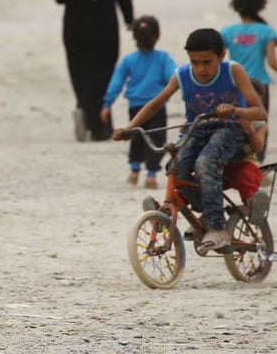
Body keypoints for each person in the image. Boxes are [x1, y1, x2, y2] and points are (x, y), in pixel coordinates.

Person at [112, 28, 266, 254]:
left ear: (221, 56)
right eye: (195, 62)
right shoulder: (182, 75)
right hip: (198, 129)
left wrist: (234, 109)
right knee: (175, 167)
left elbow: (260, 112)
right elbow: (156, 103)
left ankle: (217, 228)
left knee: (205, 163)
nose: (201, 69)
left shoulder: (233, 71)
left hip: (231, 128)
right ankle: (204, 211)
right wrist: (130, 127)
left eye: (207, 62)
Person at [53, 0, 134, 141]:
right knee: (103, 75)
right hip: (104, 29)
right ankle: (100, 126)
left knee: (79, 73)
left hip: (75, 28)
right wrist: (129, 18)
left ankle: (85, 110)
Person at [101, 15, 176, 189]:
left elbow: (116, 83)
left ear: (134, 36)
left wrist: (107, 104)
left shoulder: (129, 60)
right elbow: (173, 77)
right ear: (157, 36)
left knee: (134, 136)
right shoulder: (163, 58)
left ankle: (134, 171)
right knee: (156, 139)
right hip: (157, 106)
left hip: (135, 106)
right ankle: (151, 175)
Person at [220, 0, 277, 163]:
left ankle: (237, 161)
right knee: (260, 124)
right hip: (259, 85)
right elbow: (272, 62)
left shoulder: (227, 32)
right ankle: (257, 162)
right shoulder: (266, 31)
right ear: (260, 6)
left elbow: (219, 60)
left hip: (235, 84)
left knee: (236, 123)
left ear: (236, 6)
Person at [222, 78, 270, 224]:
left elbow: (257, 147)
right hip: (222, 164)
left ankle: (252, 205)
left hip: (244, 162)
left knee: (246, 175)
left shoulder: (260, 124)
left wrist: (249, 130)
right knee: (201, 181)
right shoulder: (228, 116)